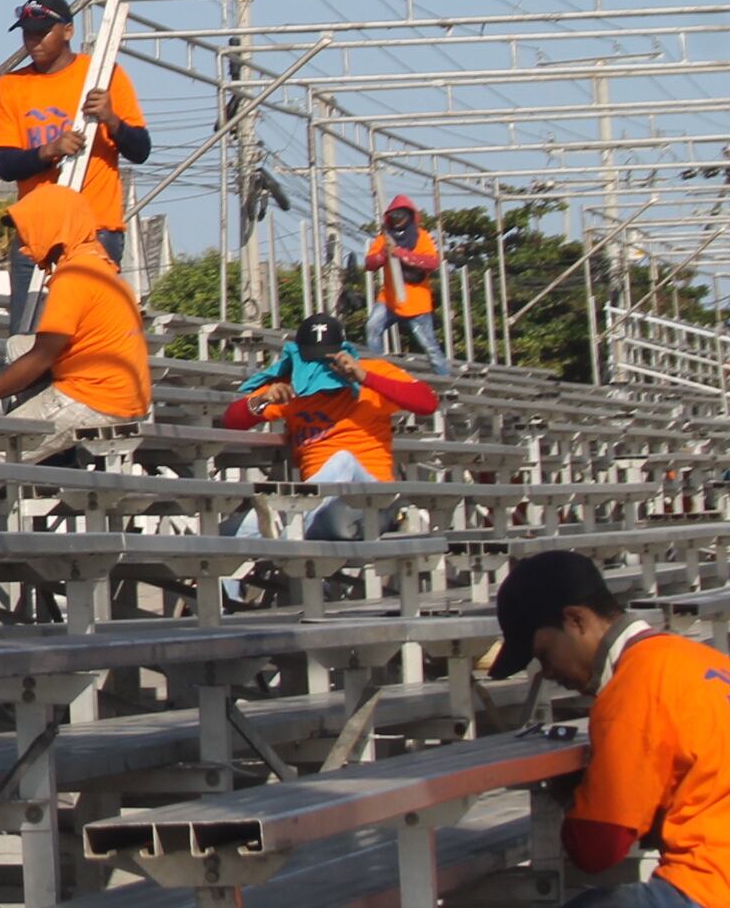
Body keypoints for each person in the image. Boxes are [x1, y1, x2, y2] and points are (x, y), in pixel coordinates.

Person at [491, 549, 730, 907]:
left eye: (544, 654)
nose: (548, 673)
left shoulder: (634, 685)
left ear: (575, 620)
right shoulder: (703, 659)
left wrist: (573, 794)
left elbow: (597, 846)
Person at [0, 180, 152, 459]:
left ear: (51, 226)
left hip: (95, 399)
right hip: (122, 395)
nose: (23, 247)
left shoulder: (75, 277)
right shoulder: (98, 265)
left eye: (27, 233)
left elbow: (42, 357)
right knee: (18, 345)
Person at [0, 0, 152, 324]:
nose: (34, 41)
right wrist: (49, 151)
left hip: (95, 228)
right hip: (37, 232)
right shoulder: (10, 87)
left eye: (42, 32)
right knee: (27, 334)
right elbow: (5, 165)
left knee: (87, 330)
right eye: (28, 34)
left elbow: (141, 149)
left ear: (68, 31)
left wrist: (111, 119)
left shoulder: (105, 76)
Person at [221, 313, 437, 541]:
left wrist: (364, 377)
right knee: (225, 538)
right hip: (317, 504)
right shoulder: (292, 386)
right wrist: (263, 398)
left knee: (342, 459)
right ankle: (287, 531)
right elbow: (231, 421)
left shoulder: (371, 372)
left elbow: (427, 402)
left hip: (369, 496)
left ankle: (287, 536)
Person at [364, 194, 454, 376]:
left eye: (401, 216)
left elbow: (431, 262)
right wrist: (383, 254)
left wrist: (401, 253)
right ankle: (378, 370)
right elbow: (370, 263)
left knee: (429, 346)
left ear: (409, 216)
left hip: (416, 302)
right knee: (372, 327)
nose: (397, 220)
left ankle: (445, 379)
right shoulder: (384, 238)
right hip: (389, 298)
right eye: (393, 216)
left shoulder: (421, 237)